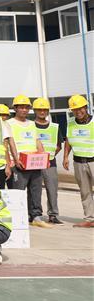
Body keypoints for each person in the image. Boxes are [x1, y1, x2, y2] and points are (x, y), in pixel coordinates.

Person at [7, 95, 51, 228]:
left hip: (34, 163)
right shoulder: (9, 123)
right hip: (19, 164)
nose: (24, 110)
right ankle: (18, 216)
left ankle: (36, 216)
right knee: (18, 191)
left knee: (36, 190)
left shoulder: (31, 124)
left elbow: (37, 141)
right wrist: (15, 159)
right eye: (21, 107)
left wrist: (44, 157)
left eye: (26, 107)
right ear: (15, 108)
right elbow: (10, 142)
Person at [62, 94, 94, 228]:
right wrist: (65, 157)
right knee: (85, 192)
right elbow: (68, 141)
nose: (78, 112)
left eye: (80, 108)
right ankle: (90, 219)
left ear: (86, 107)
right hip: (78, 162)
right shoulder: (70, 123)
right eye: (75, 109)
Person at [32, 97, 65, 225]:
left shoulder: (54, 127)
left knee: (52, 190)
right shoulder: (30, 126)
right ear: (35, 110)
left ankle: (53, 214)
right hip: (34, 163)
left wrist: (48, 156)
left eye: (45, 109)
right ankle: (34, 214)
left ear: (48, 111)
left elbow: (58, 146)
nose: (42, 112)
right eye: (39, 109)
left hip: (50, 163)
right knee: (34, 191)